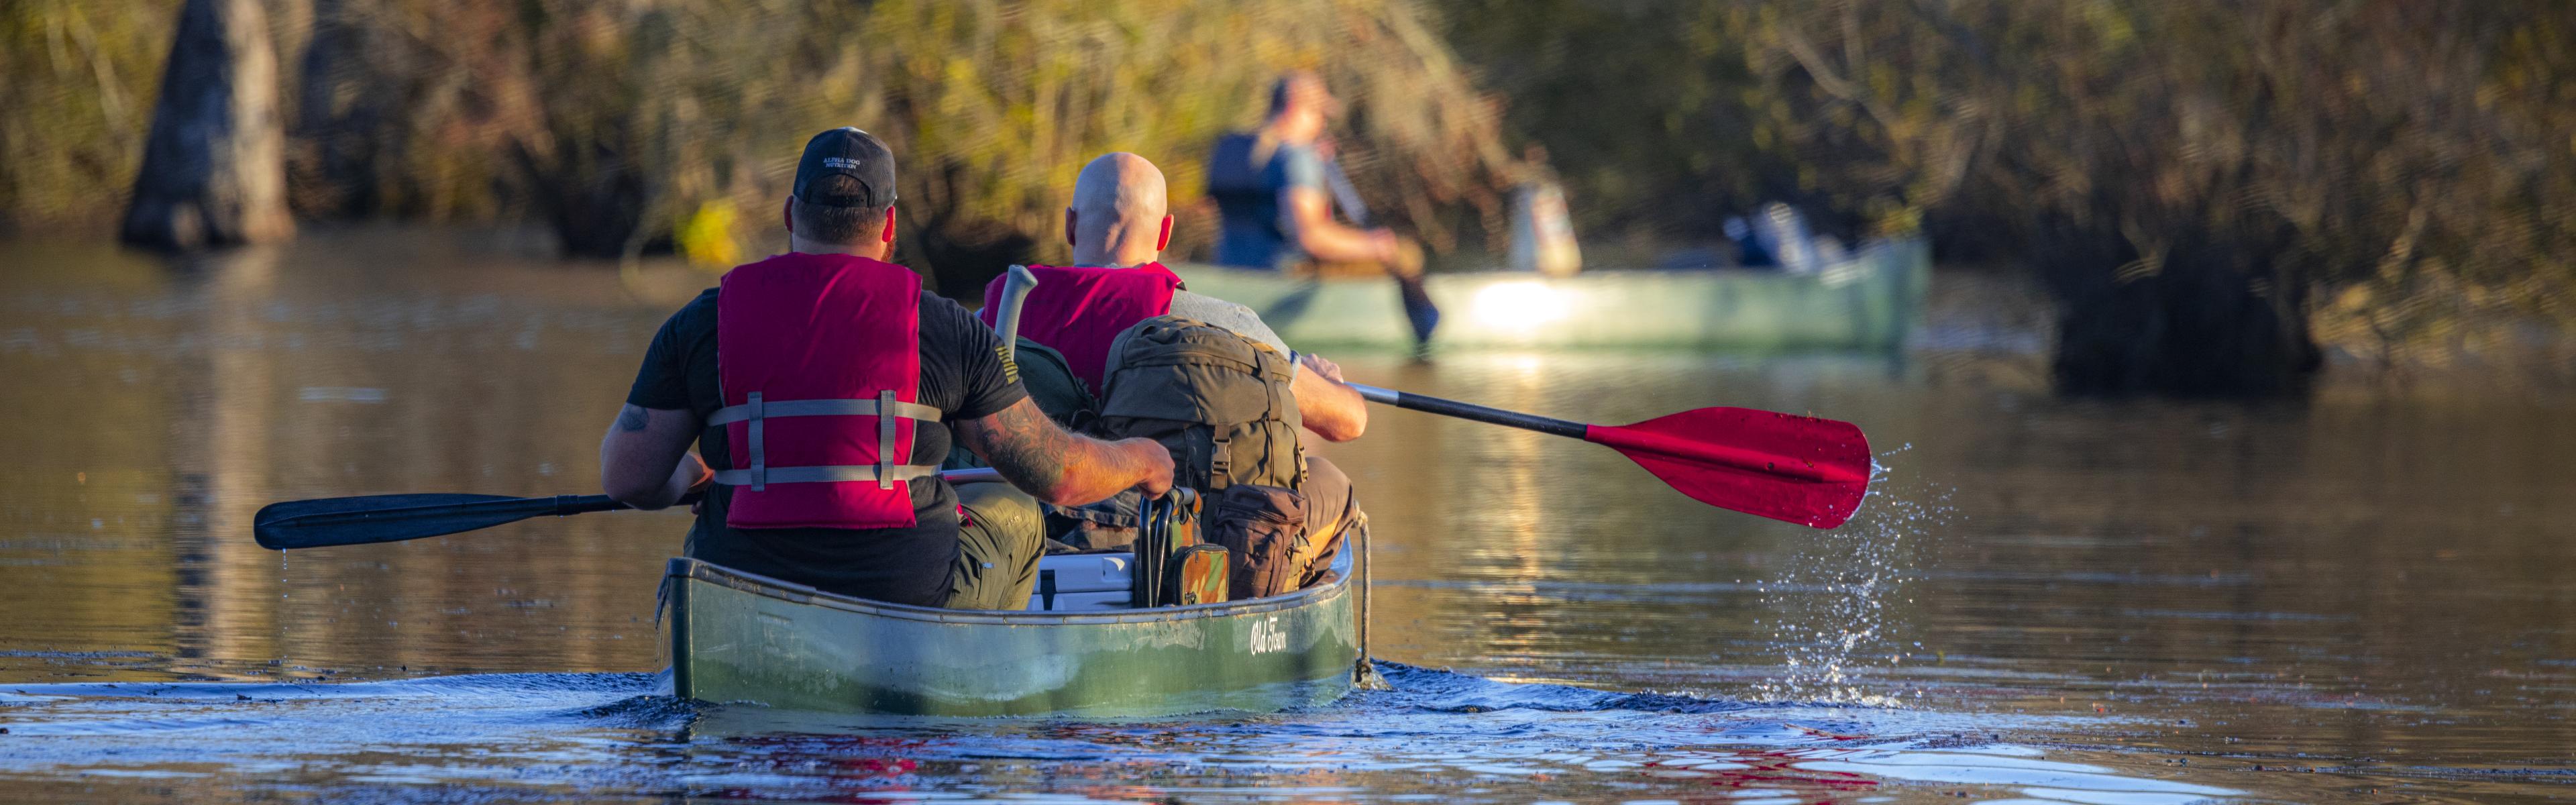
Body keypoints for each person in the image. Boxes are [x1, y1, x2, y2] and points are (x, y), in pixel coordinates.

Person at [599, 128, 1173, 610]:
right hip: (901, 597)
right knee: (1020, 508)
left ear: (790, 214)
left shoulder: (704, 320)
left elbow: (629, 477)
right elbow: (1059, 476)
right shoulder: (945, 326)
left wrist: (698, 478)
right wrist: (1145, 458)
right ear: (890, 225)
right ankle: (982, 679)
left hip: (742, 592)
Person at [981, 151, 1369, 590]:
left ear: (1069, 224)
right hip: (1171, 549)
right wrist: (1329, 381)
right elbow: (1348, 422)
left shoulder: (997, 318)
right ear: (1165, 232)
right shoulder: (1214, 322)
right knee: (1330, 481)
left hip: (1028, 535)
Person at [1206, 71, 1438, 345]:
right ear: (1295, 108)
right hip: (1283, 274)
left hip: (1230, 267)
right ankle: (1428, 331)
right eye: (1320, 115)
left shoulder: (1230, 147)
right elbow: (1311, 237)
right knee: (1407, 252)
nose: (1323, 124)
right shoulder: (1297, 157)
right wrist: (1380, 246)